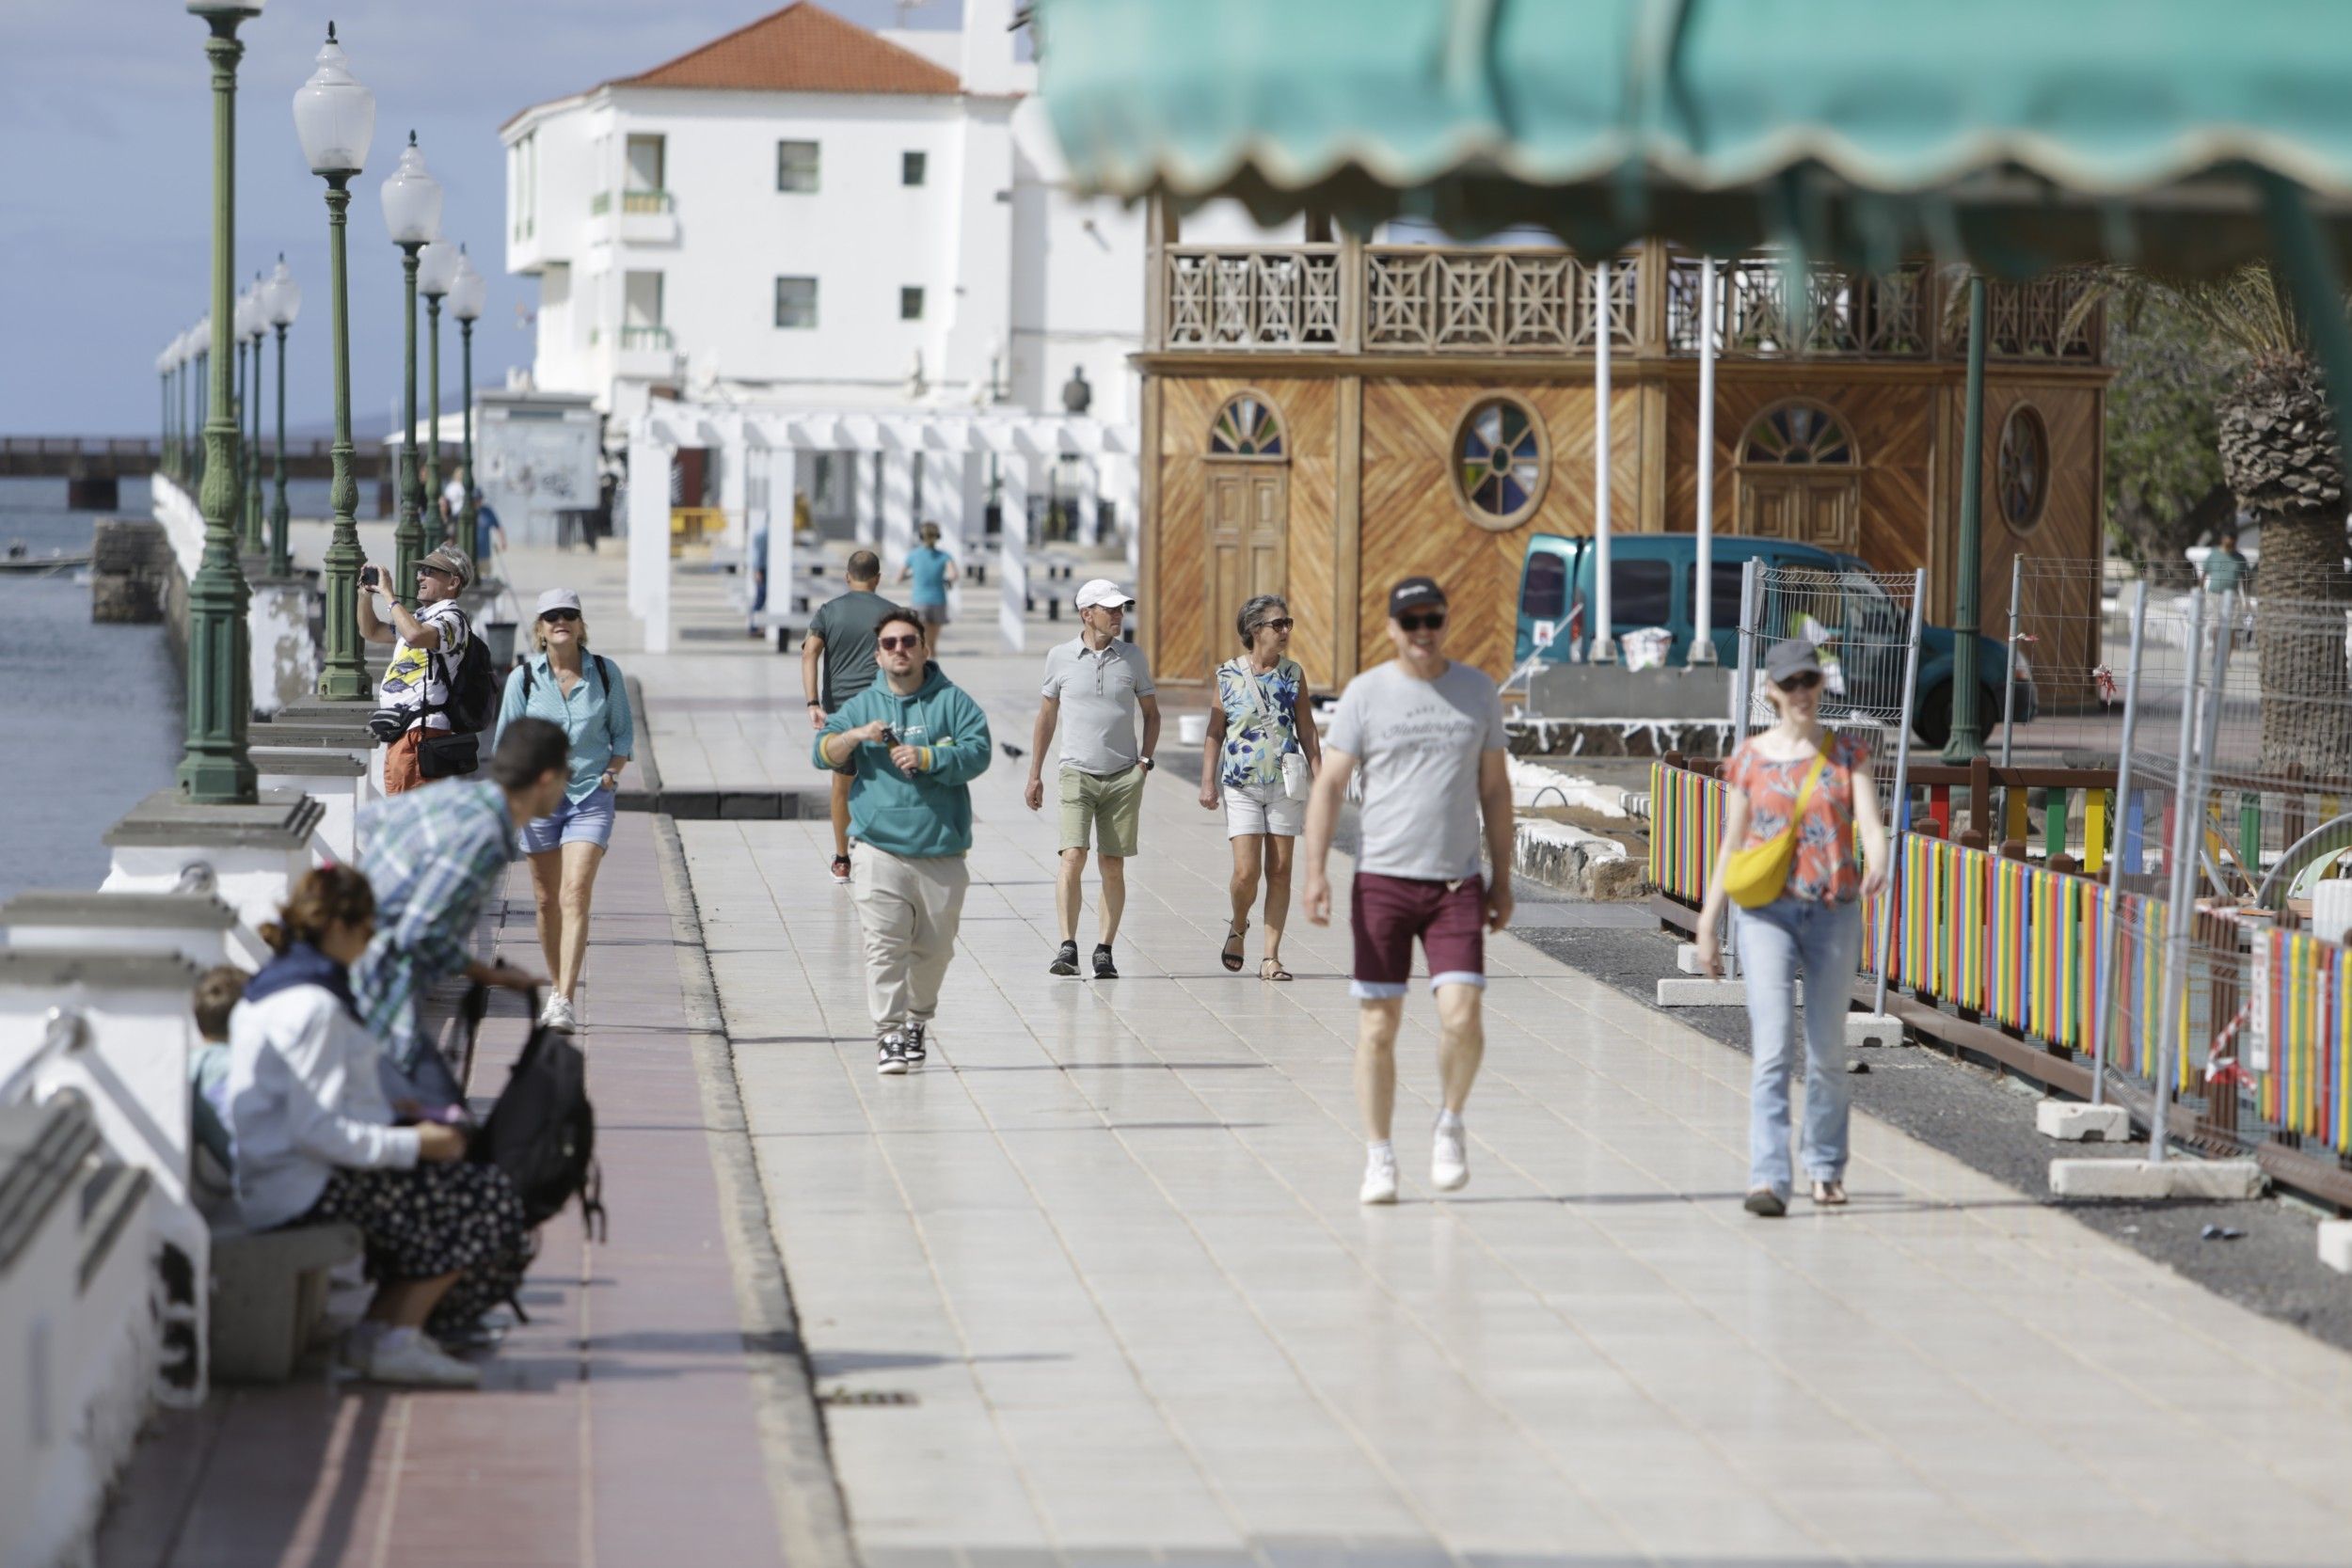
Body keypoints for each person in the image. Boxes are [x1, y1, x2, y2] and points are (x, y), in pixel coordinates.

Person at [228, 865, 531, 1386]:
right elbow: (315, 1131)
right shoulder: (313, 1006)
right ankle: (395, 1337)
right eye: (368, 932)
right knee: (487, 1194)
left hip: (277, 1174)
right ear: (342, 928)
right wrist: (413, 1144)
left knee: (456, 1181)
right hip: (299, 1188)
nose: (369, 945)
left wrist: (398, 1114)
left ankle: (383, 1333)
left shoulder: (276, 984)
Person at [1302, 578, 1513, 1206]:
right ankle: (1379, 1154)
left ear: (1446, 621)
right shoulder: (1367, 694)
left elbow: (1496, 789)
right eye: (1411, 620)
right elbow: (1330, 785)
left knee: (1463, 1013)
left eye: (1434, 618)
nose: (1424, 631)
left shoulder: (1477, 691)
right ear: (1392, 627)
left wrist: (1503, 876)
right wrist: (1315, 872)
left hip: (1455, 883)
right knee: (1377, 1026)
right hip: (1384, 882)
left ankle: (1449, 1121)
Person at [1694, 639, 1887, 1216]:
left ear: (1821, 686)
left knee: (1827, 1052)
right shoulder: (1749, 758)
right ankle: (1769, 1178)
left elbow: (1871, 825)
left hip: (1833, 913)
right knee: (1774, 1048)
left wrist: (1878, 861)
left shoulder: (1848, 752)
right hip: (1765, 916)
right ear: (1771, 691)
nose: (1802, 693)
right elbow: (1732, 844)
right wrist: (1707, 924)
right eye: (1790, 684)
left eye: (1810, 681)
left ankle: (1825, 1166)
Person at [352, 719, 568, 1114]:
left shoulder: (457, 797)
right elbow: (419, 934)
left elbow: (367, 822)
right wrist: (481, 972)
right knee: (438, 1126)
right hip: (375, 995)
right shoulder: (484, 836)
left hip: (353, 968)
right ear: (547, 779)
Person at [814, 608, 993, 1074]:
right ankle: (889, 1033)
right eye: (890, 644)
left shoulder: (953, 701)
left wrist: (930, 756)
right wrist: (855, 735)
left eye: (908, 642)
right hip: (878, 848)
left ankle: (916, 1019)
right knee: (884, 945)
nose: (899, 650)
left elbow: (979, 753)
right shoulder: (861, 705)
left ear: (924, 648)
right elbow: (822, 752)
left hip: (941, 849)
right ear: (877, 654)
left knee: (935, 951)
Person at [493, 589, 635, 1033]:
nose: (561, 621)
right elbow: (506, 744)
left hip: (590, 796)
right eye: (552, 616)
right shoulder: (524, 680)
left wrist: (611, 774)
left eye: (569, 614)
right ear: (539, 628)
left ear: (580, 624)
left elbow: (624, 737)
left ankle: (565, 998)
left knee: (575, 894)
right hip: (539, 804)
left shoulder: (606, 675)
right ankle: (556, 985)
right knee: (544, 900)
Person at [1026, 578, 1160, 979]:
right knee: (1073, 856)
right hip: (1075, 774)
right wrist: (1034, 774)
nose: (1119, 615)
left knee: (1113, 865)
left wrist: (1144, 764)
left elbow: (1152, 714)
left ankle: (1105, 949)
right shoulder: (1060, 657)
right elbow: (1046, 716)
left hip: (1123, 776)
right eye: (1111, 609)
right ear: (1087, 614)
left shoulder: (1133, 658)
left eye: (1122, 609)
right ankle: (1067, 946)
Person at [1198, 594, 1322, 981]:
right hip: (1241, 784)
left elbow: (1307, 729)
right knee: (1246, 873)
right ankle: (1238, 923)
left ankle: (1271, 957)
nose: (1285, 631)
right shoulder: (1228, 675)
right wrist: (1207, 782)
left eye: (1288, 623)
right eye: (1278, 624)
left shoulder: (1293, 674)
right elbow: (1215, 732)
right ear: (1254, 630)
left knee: (1281, 870)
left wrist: (1323, 778)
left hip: (1285, 782)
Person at [803, 550, 899, 885]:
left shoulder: (829, 612)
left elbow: (809, 653)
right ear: (877, 579)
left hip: (841, 714)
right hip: (882, 711)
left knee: (841, 785)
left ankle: (842, 860)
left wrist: (813, 702)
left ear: (847, 577)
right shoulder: (892, 614)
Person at [359, 544, 475, 797]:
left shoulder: (451, 619)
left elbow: (414, 634)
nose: (420, 576)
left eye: (430, 571)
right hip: (404, 733)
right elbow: (371, 631)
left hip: (422, 734)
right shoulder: (422, 617)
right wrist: (366, 594)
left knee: (411, 824)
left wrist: (390, 596)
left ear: (453, 582)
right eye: (421, 570)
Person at [898, 522, 959, 635]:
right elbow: (954, 575)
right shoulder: (945, 556)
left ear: (921, 536)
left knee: (922, 640)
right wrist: (945, 580)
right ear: (938, 536)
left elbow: (899, 578)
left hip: (919, 601)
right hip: (938, 601)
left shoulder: (913, 555)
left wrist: (912, 574)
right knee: (933, 642)